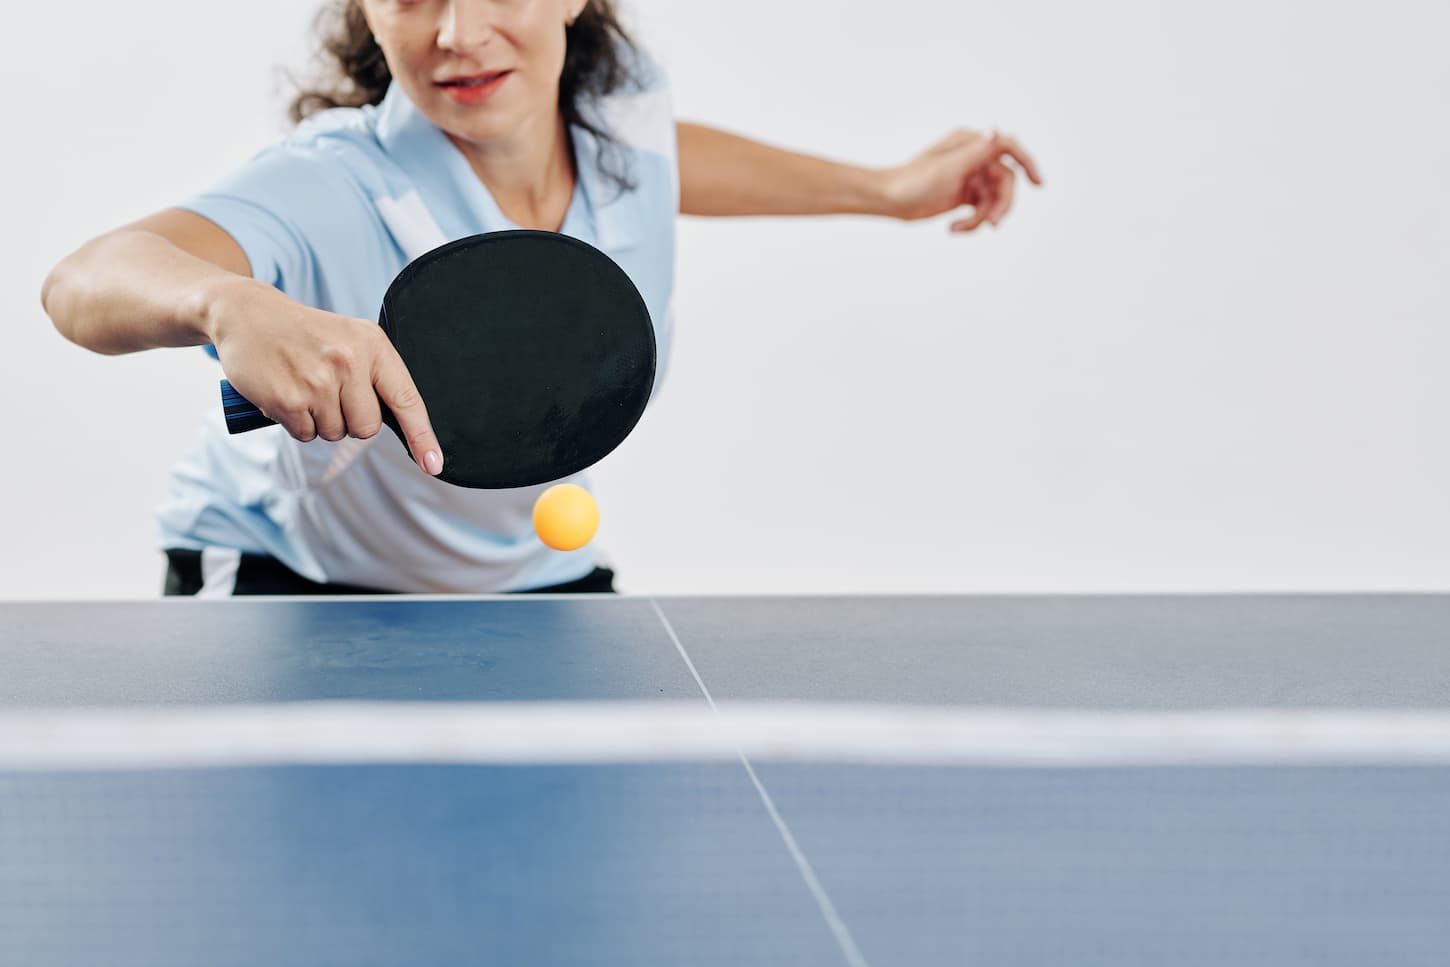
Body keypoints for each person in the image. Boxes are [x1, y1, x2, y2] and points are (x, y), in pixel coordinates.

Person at [41, 0, 1043, 597]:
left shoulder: (620, 112)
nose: (459, 33)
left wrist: (883, 190)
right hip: (293, 584)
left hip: (527, 574)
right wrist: (227, 303)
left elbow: (658, 160)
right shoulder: (333, 183)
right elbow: (85, 279)